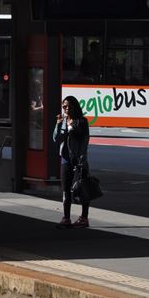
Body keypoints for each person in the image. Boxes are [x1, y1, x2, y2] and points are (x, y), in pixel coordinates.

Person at [53, 95, 91, 228]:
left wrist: (81, 158)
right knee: (66, 189)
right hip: (65, 159)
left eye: (69, 106)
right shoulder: (62, 121)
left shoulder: (82, 121)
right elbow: (56, 139)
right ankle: (66, 217)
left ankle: (84, 218)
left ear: (75, 106)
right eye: (64, 106)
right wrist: (58, 125)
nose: (66, 108)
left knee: (82, 188)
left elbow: (85, 140)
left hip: (79, 160)